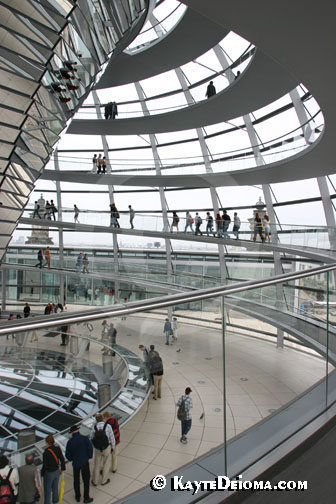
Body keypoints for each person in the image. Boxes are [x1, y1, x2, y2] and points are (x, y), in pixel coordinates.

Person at [65, 425, 94, 503]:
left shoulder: (70, 442)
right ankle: (86, 497)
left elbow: (68, 455)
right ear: (78, 430)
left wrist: (72, 459)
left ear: (71, 433)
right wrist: (89, 456)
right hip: (84, 462)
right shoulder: (84, 438)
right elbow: (90, 448)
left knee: (76, 480)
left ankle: (78, 496)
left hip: (76, 463)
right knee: (86, 480)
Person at [90, 414, 115, 487]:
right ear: (103, 419)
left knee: (97, 464)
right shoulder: (108, 426)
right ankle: (104, 480)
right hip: (106, 447)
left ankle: (95, 481)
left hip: (98, 449)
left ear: (96, 420)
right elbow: (112, 437)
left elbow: (91, 437)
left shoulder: (94, 427)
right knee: (106, 463)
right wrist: (112, 446)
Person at [41, 434, 66, 504]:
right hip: (57, 471)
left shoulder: (46, 452)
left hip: (49, 473)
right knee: (55, 488)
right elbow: (62, 459)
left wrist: (42, 473)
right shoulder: (57, 448)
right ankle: (55, 501)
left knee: (47, 490)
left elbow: (45, 465)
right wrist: (62, 469)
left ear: (47, 443)